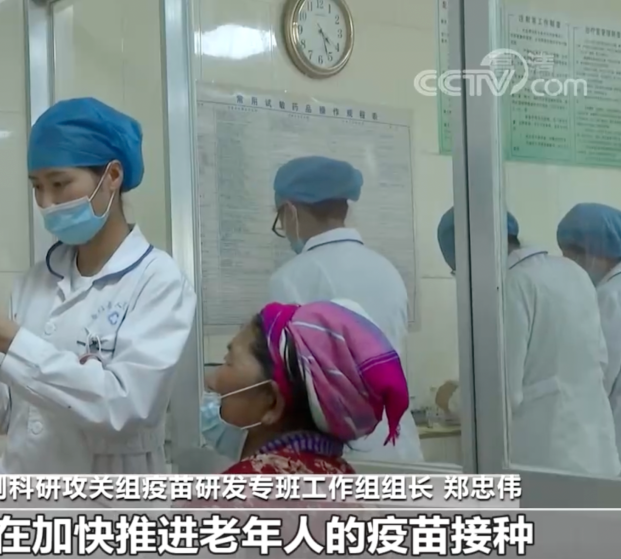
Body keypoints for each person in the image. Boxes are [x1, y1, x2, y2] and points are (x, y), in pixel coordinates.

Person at [0, 97, 197, 475]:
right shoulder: (34, 283)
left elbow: (126, 409)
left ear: (112, 176)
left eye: (59, 183)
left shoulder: (158, 281)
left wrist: (12, 342)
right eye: (37, 186)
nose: (47, 202)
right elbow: (4, 417)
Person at [437, 208, 620, 476]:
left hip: (547, 461)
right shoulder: (572, 272)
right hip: (597, 454)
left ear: (467, 257)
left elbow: (500, 396)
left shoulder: (509, 286)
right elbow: (599, 363)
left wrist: (451, 399)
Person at [267, 156, 423, 463]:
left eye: (280, 218)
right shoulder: (386, 269)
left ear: (290, 211)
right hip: (399, 447)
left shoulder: (290, 279)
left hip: (340, 453)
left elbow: (287, 380)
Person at [201, 299, 411, 475]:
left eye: (229, 362)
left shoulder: (233, 496)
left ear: (273, 403)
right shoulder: (343, 479)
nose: (210, 381)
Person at [556, 202, 621, 453]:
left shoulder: (610, 296)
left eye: (575, 255)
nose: (570, 264)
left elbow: (599, 374)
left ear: (603, 250)